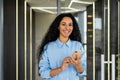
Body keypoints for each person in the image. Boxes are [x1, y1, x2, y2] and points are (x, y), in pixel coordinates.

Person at [38, 13, 86, 80]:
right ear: (58, 26)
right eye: (63, 24)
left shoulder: (78, 46)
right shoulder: (48, 47)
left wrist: (78, 65)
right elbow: (43, 73)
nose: (67, 28)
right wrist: (61, 68)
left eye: (70, 25)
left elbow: (83, 72)